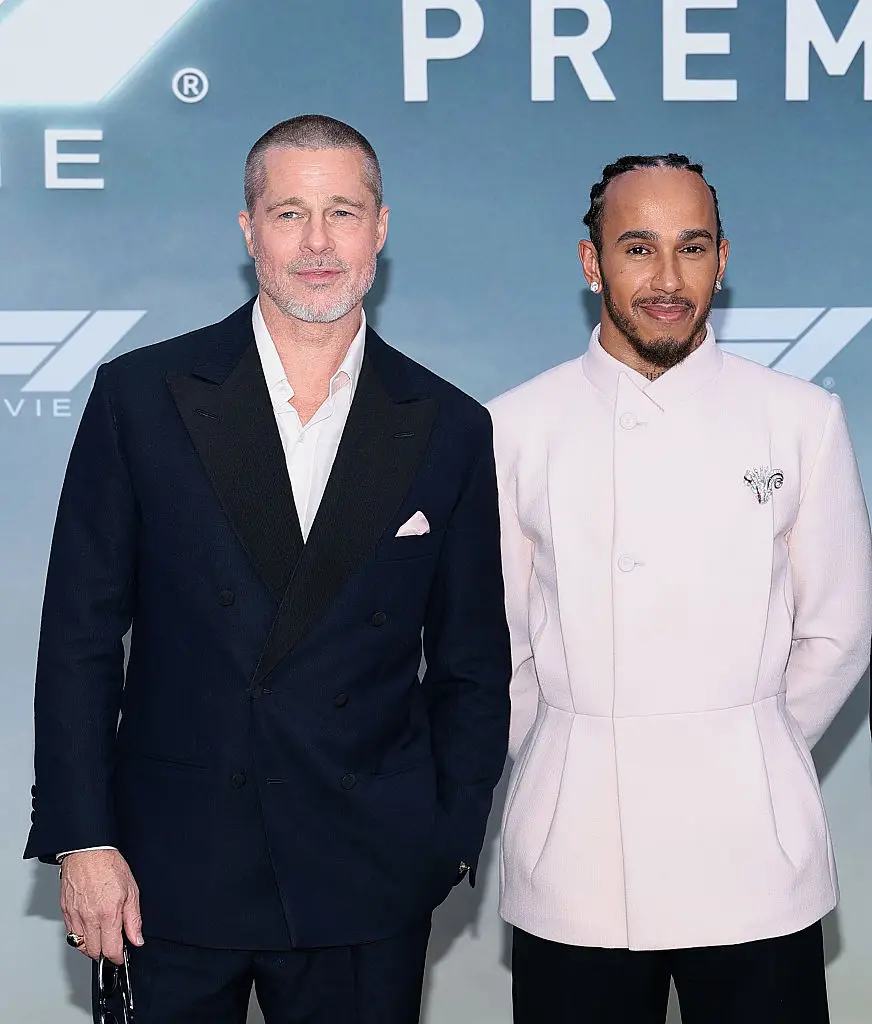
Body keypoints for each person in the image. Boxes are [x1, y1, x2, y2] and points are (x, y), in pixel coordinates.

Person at [25, 114, 511, 1024]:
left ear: (381, 228)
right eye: (290, 214)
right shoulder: (144, 396)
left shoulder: (447, 425)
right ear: (248, 231)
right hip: (167, 871)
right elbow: (80, 639)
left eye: (342, 212)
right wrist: (83, 840)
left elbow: (472, 664)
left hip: (366, 876)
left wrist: (442, 842)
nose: (318, 244)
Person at [488, 153, 872, 1024]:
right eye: (637, 248)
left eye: (691, 248)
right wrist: (565, 760)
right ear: (593, 266)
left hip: (753, 858)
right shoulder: (515, 427)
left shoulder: (801, 419)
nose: (667, 279)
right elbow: (497, 644)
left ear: (722, 261)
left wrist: (747, 742)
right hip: (576, 856)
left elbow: (840, 629)